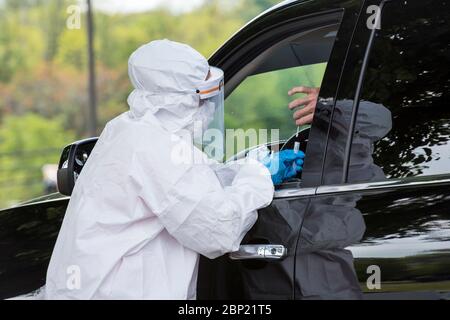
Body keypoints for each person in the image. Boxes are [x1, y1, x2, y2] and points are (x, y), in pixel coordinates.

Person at [45, 39, 304, 300]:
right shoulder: (156, 148)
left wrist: (251, 167)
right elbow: (218, 230)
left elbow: (195, 179)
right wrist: (259, 177)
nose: (211, 107)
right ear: (176, 100)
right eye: (203, 97)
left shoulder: (128, 129)